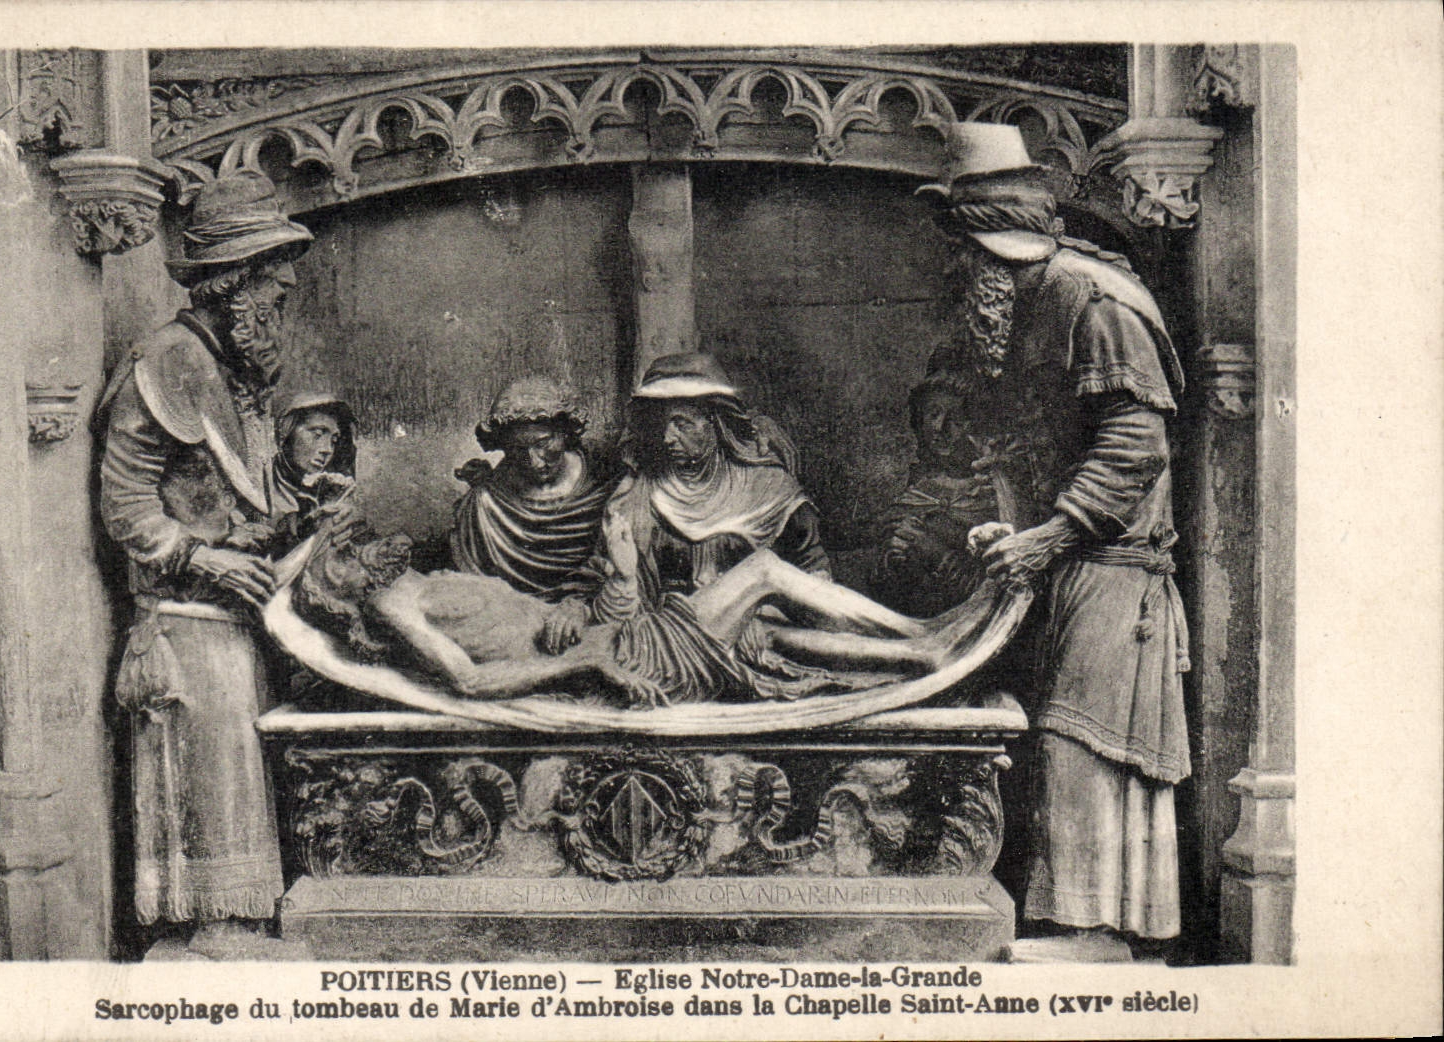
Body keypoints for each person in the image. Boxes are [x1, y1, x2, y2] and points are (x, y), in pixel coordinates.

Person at [923, 123, 1191, 945]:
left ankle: (1097, 931)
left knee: (1082, 744)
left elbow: (1134, 445)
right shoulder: (1032, 300)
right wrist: (1017, 525)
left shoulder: (1093, 300)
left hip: (1113, 568)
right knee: (1051, 739)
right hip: (1070, 559)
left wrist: (1050, 535)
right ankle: (1074, 921)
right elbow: (1044, 441)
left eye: (959, 251)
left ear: (987, 244)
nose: (953, 271)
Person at [98, 173, 328, 945]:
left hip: (237, 614)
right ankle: (211, 931)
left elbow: (237, 495)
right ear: (234, 282)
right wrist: (205, 560)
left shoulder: (231, 367)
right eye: (272, 279)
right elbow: (125, 503)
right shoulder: (168, 360)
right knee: (212, 775)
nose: (284, 290)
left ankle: (237, 923)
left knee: (238, 773)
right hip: (185, 620)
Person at [294, 516, 973, 710]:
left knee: (763, 634)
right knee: (763, 573)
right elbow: (470, 682)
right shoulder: (396, 609)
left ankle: (919, 653)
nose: (355, 545)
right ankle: (919, 631)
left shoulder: (417, 579)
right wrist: (585, 665)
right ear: (342, 591)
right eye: (339, 557)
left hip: (613, 638)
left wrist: (572, 607)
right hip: (624, 659)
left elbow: (522, 618)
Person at [545, 353, 827, 658]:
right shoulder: (635, 494)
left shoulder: (770, 489)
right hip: (666, 643)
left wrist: (758, 614)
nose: (668, 438)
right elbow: (603, 571)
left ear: (715, 422)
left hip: (758, 640)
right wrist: (575, 607)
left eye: (682, 424)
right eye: (662, 425)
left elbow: (815, 581)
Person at [449, 375, 610, 600]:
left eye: (543, 443)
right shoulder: (486, 505)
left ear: (565, 432)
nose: (534, 462)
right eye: (518, 449)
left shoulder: (602, 487)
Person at [879, 369, 1004, 617]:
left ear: (976, 426)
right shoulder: (915, 493)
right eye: (933, 415)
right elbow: (881, 587)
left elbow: (1002, 591)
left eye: (956, 419)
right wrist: (893, 559)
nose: (940, 427)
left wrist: (936, 554)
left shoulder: (996, 497)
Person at [271, 391, 358, 549]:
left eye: (333, 440)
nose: (327, 450)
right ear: (286, 432)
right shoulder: (262, 485)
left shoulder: (329, 489)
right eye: (317, 435)